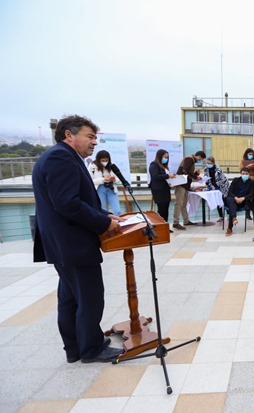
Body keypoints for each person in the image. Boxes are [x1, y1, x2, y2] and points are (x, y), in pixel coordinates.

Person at [32, 114, 125, 363]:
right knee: (90, 295)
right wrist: (104, 222)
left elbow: (76, 199)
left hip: (64, 243)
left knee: (71, 298)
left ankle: (75, 347)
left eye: (96, 137)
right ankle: (91, 348)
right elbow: (67, 203)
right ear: (69, 135)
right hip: (72, 241)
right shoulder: (60, 157)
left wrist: (104, 213)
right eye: (90, 137)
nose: (95, 142)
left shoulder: (64, 157)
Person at [148, 149, 177, 228]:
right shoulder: (154, 164)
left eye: (167, 157)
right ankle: (160, 227)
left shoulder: (165, 166)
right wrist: (167, 176)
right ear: (160, 156)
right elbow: (155, 176)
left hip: (166, 189)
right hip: (158, 190)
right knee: (161, 209)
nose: (166, 159)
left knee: (166, 209)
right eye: (164, 157)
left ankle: (165, 226)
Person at [88, 149, 121, 216]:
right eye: (102, 161)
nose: (105, 162)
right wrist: (103, 180)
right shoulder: (92, 166)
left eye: (106, 160)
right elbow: (90, 181)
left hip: (111, 188)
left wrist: (114, 179)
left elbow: (119, 178)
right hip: (99, 189)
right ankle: (106, 225)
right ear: (98, 159)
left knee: (117, 211)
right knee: (103, 210)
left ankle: (118, 224)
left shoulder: (112, 165)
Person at [173, 155, 201, 230]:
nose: (200, 160)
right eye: (200, 159)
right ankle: (175, 222)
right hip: (181, 184)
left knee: (184, 204)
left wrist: (196, 174)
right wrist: (195, 177)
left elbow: (188, 173)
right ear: (198, 156)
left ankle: (186, 221)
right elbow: (186, 170)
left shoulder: (191, 160)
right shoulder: (190, 159)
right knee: (179, 203)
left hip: (185, 185)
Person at [225, 167, 254, 236]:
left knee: (231, 207)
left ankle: (231, 224)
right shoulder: (236, 180)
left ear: (249, 174)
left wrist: (243, 198)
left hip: (243, 202)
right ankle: (233, 220)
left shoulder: (251, 182)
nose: (244, 175)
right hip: (233, 199)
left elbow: (251, 194)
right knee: (230, 200)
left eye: (246, 174)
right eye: (243, 173)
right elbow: (230, 192)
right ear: (240, 174)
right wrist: (236, 198)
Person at [203, 156, 229, 220]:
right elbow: (206, 179)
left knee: (225, 200)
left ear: (213, 163)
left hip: (223, 186)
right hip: (213, 187)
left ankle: (229, 214)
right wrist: (209, 185)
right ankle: (221, 216)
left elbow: (223, 179)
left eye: (210, 163)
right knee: (217, 201)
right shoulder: (206, 169)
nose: (208, 164)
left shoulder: (218, 169)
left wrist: (215, 185)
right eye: (207, 163)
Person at [240, 148, 254, 219]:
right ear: (246, 154)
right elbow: (241, 169)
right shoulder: (243, 161)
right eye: (249, 154)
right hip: (246, 179)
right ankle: (248, 213)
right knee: (248, 196)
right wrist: (248, 167)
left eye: (252, 154)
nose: (251, 156)